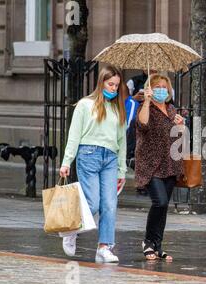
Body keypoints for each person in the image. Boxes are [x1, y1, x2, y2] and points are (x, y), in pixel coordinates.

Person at [59, 65, 127, 263]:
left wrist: (122, 169)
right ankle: (70, 230)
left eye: (116, 85)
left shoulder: (118, 107)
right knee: (92, 202)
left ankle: (104, 247)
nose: (114, 88)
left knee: (109, 204)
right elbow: (74, 134)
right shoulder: (85, 104)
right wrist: (66, 161)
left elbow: (121, 141)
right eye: (110, 84)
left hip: (111, 159)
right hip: (88, 154)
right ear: (102, 82)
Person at [135, 74, 185, 261]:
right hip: (150, 164)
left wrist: (181, 126)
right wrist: (147, 101)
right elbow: (143, 124)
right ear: (150, 89)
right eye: (157, 86)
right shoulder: (144, 108)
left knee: (164, 207)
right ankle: (148, 242)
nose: (161, 90)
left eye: (164, 86)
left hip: (170, 164)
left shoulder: (172, 109)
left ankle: (157, 246)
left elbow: (179, 139)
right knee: (160, 202)